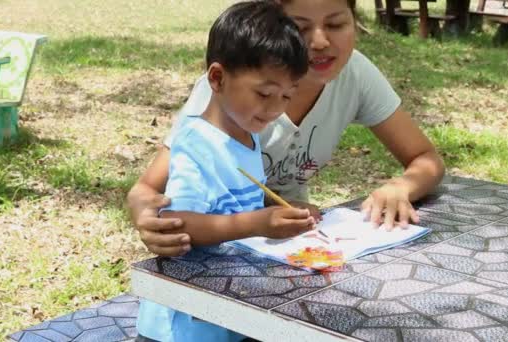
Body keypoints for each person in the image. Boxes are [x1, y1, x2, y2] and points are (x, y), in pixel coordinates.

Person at [127, 0, 445, 257]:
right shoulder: (226, 97)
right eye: (300, 27)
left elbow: (425, 158)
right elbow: (148, 191)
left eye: (336, 24)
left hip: (285, 245)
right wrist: (148, 218)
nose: (320, 41)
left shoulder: (355, 74)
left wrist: (399, 188)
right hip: (226, 255)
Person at [135, 1, 313, 341]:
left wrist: (281, 214)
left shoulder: (248, 134)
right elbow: (178, 223)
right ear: (217, 78)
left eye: (286, 96)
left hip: (226, 308)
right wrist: (258, 223)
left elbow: (233, 205)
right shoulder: (196, 142)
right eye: (264, 93)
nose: (275, 109)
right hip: (183, 324)